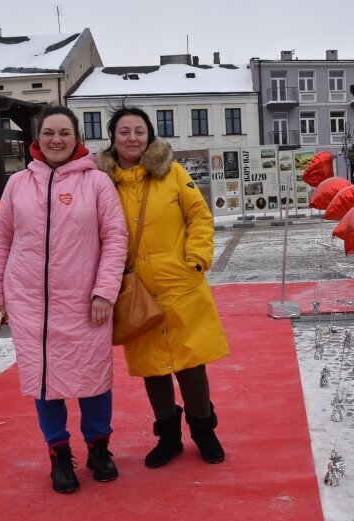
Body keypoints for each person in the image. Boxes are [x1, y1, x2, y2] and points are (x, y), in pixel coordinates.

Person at [0, 105, 128, 493]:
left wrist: (104, 291)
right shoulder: (18, 184)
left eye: (64, 132)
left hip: (85, 302)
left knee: (93, 378)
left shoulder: (97, 183)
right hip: (30, 302)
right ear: (38, 138)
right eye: (49, 132)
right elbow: (2, 241)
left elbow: (115, 239)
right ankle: (59, 453)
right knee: (44, 379)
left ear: (77, 137)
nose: (56, 139)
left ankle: (100, 448)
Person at [97, 106, 230, 468]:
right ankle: (168, 436)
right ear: (113, 138)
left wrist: (196, 259)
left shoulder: (172, 173)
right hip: (133, 289)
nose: (132, 138)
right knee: (152, 366)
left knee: (190, 362)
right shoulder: (101, 182)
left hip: (179, 283)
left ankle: (204, 431)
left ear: (150, 135)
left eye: (139, 131)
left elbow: (199, 216)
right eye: (124, 132)